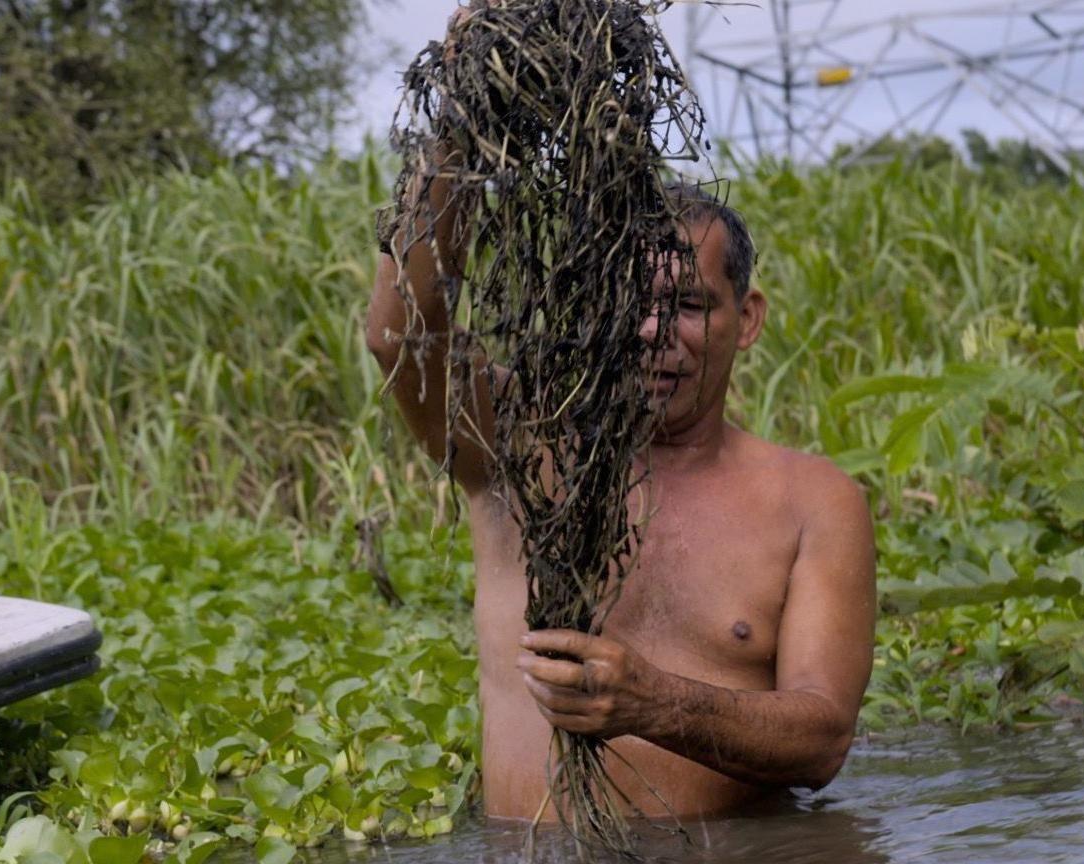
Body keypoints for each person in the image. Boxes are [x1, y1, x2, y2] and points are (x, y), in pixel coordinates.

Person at [364, 13, 876, 822]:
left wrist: (653, 703)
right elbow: (402, 334)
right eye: (624, 302)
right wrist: (464, 115)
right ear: (586, 303)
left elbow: (821, 742)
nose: (650, 332)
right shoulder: (517, 447)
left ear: (746, 320)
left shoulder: (813, 502)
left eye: (687, 306)